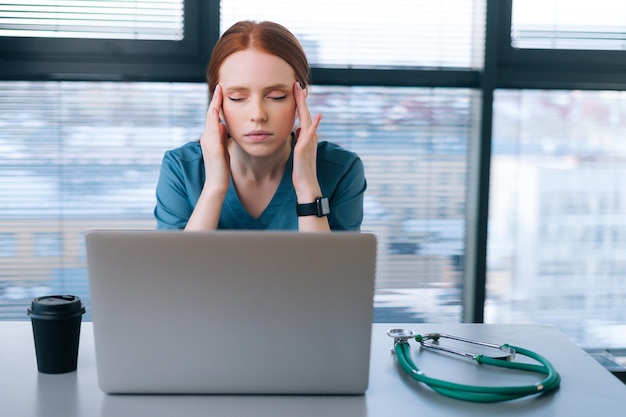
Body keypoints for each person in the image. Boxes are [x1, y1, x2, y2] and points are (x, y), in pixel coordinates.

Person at [154, 20, 366, 231]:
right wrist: (214, 188)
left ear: (300, 98)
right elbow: (181, 264)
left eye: (277, 96)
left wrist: (307, 187)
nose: (257, 115)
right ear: (216, 103)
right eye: (237, 98)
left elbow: (330, 265)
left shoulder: (342, 170)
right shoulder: (181, 168)